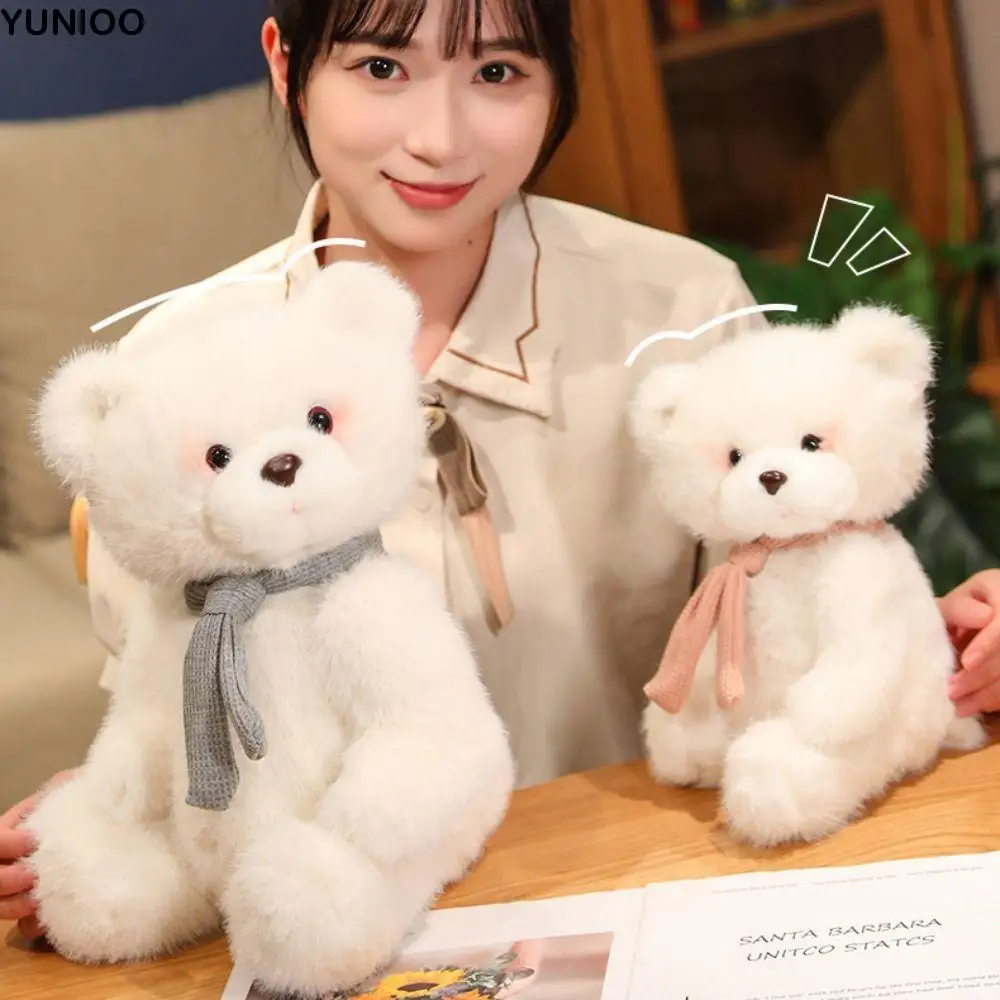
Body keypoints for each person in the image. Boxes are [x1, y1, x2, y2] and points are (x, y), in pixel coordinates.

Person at [3, 0, 999, 940]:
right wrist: (97, 837)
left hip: (661, 886)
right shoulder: (165, 380)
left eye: (496, 72)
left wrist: (947, 643)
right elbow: (173, 706)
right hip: (342, 924)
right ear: (285, 64)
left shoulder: (681, 308)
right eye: (381, 67)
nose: (439, 138)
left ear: (559, 83)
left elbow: (795, 617)